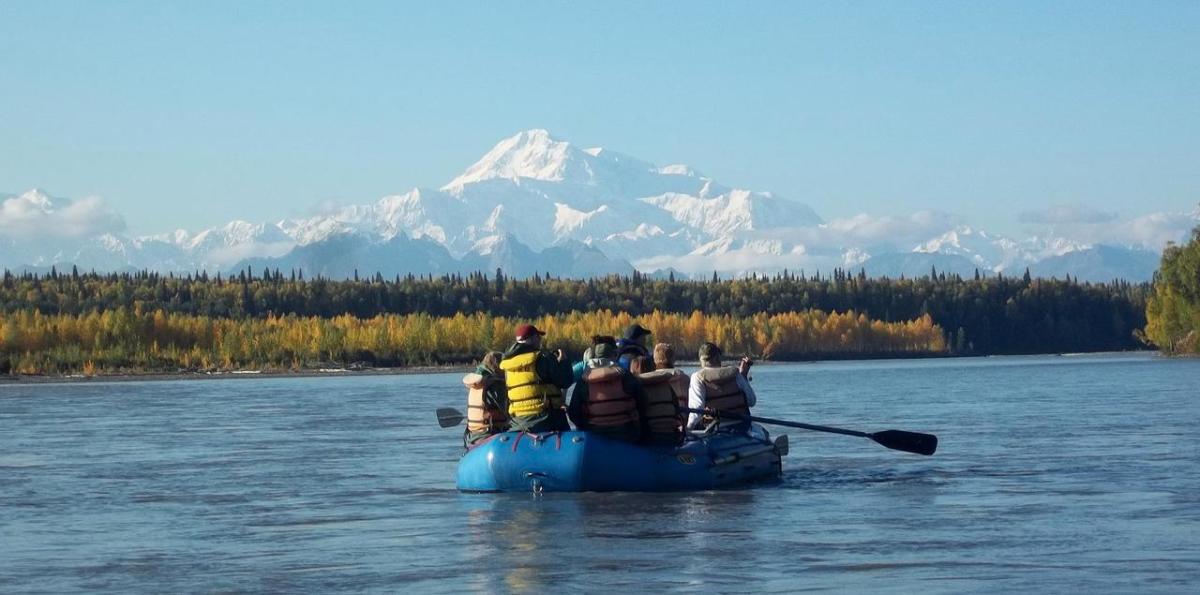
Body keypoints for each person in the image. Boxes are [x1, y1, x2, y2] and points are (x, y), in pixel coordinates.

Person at [499, 323, 574, 433]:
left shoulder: (507, 363)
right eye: (538, 337)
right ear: (532, 339)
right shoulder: (543, 358)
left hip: (518, 420)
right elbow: (565, 381)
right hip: (546, 418)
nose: (540, 340)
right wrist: (563, 362)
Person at [567, 336, 643, 443]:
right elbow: (642, 403)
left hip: (595, 434)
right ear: (612, 355)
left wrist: (585, 427)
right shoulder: (625, 376)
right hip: (626, 433)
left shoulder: (584, 381)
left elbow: (574, 412)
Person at [687, 342, 757, 432]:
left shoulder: (697, 377)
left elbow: (696, 411)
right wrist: (743, 376)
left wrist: (688, 429)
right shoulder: (735, 374)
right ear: (717, 358)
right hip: (742, 427)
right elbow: (751, 401)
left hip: (714, 429)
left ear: (701, 360)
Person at [632, 354, 684, 446]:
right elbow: (676, 409)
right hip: (671, 435)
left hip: (648, 437)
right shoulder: (666, 385)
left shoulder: (636, 388)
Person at [462, 351, 508, 447]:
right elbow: (507, 411)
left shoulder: (476, 383)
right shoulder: (495, 384)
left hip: (474, 436)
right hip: (491, 433)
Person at [651, 342, 692, 414]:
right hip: (679, 417)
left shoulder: (650, 379)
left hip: (656, 416)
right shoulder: (683, 378)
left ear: (654, 359)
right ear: (673, 359)